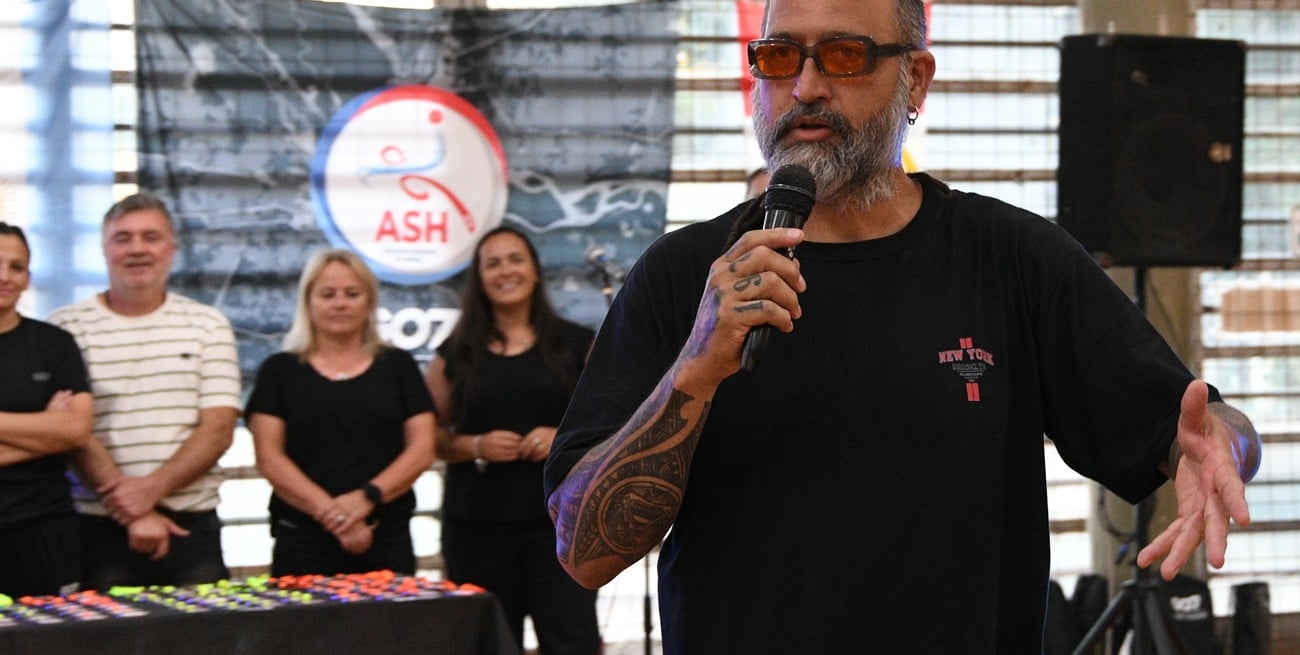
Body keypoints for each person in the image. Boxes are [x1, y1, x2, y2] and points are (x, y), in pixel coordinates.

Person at [542, 1, 1263, 653]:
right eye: (780, 57)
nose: (807, 87)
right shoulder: (685, 273)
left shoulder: (1008, 257)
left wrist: (1222, 442)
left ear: (915, 81)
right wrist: (694, 370)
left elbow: (1197, 423)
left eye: (846, 56)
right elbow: (583, 550)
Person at [48, 192, 241, 590]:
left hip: (193, 529)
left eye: (151, 237)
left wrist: (150, 491)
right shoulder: (65, 328)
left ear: (172, 249)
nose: (137, 249)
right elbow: (71, 430)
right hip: (98, 528)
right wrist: (134, 513)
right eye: (123, 238)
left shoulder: (209, 325)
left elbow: (219, 429)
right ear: (104, 249)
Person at [427, 226, 601, 655]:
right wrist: (476, 446)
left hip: (562, 526)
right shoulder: (454, 353)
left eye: (515, 259)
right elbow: (430, 437)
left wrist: (560, 437)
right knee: (484, 644)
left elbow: (608, 422)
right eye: (493, 263)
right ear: (479, 278)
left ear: (536, 271)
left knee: (571, 642)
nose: (506, 271)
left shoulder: (577, 344)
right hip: (477, 527)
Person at [245, 248, 435, 576]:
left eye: (352, 293)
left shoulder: (398, 367)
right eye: (327, 294)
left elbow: (422, 448)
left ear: (370, 302)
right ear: (308, 303)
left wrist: (366, 499)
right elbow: (269, 457)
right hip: (301, 541)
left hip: (386, 537)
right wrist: (334, 515)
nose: (340, 303)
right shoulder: (279, 371)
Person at [0, 222, 94, 597]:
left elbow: (76, 432)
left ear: (28, 278)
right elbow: (59, 433)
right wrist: (45, 431)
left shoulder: (54, 344)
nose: (4, 276)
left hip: (44, 530)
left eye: (16, 267)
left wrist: (61, 432)